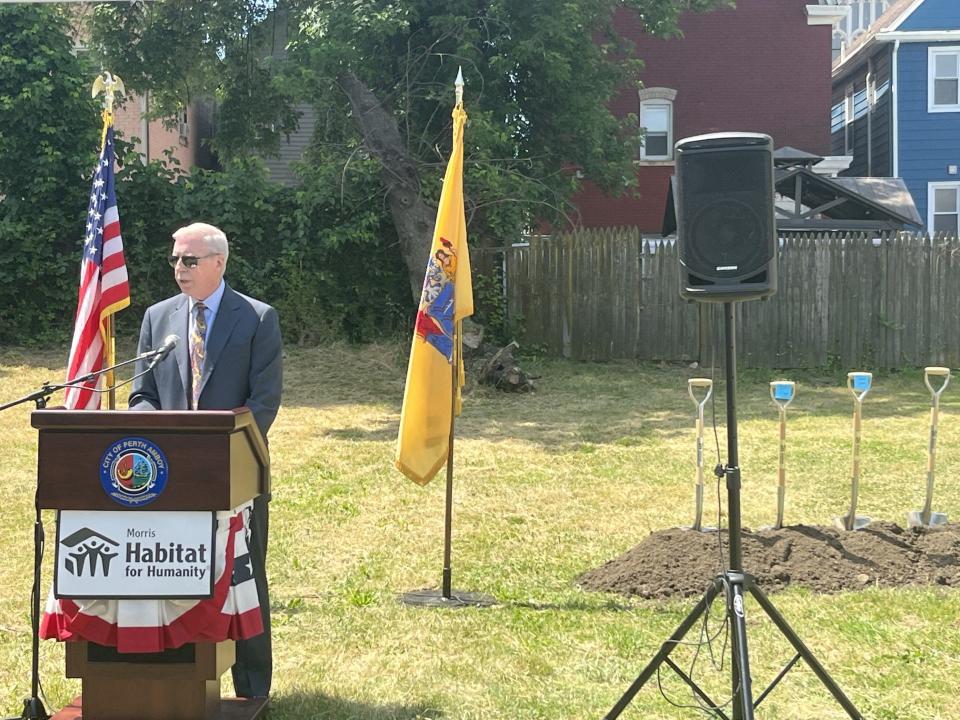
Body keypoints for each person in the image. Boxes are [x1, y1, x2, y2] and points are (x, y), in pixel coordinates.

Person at [128, 222, 282, 699]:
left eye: (189, 260)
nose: (179, 268)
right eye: (174, 259)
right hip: (168, 476)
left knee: (244, 576)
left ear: (219, 262)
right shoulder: (158, 317)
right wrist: (159, 436)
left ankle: (253, 688)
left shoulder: (256, 318)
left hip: (234, 473)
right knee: (172, 573)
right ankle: (176, 676)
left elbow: (264, 401)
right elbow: (142, 393)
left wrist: (216, 451)